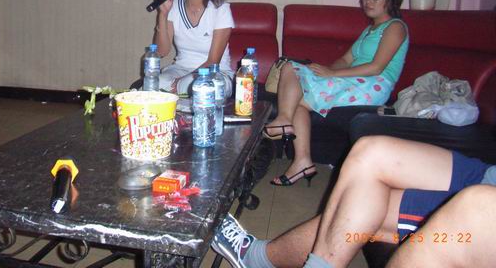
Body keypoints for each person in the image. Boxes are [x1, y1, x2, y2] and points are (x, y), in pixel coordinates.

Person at [211, 135, 496, 268]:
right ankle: (258, 258)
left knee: (476, 208)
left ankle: (256, 257)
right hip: (489, 175)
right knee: (369, 151)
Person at [264, 0, 409, 186]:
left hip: (373, 85)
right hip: (356, 80)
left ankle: (283, 121)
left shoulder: (395, 27)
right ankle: (302, 161)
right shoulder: (370, 30)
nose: (368, 1)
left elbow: (377, 67)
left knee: (291, 70)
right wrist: (323, 71)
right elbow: (346, 59)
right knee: (295, 86)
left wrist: (331, 75)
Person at [152, 0, 234, 95]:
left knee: (201, 87)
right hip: (180, 69)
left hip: (214, 72)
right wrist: (163, 14)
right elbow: (161, 51)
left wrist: (184, 81)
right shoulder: (174, 4)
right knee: (154, 83)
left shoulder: (220, 9)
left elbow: (213, 61)